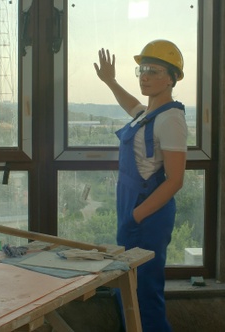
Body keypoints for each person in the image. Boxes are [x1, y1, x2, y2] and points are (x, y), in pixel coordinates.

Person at [93, 39, 187, 332]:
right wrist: (111, 82)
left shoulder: (171, 120)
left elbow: (175, 180)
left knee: (144, 294)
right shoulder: (149, 115)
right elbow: (131, 105)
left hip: (148, 216)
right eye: (142, 70)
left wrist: (136, 216)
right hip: (133, 210)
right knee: (128, 290)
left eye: (154, 71)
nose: (145, 76)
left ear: (172, 78)